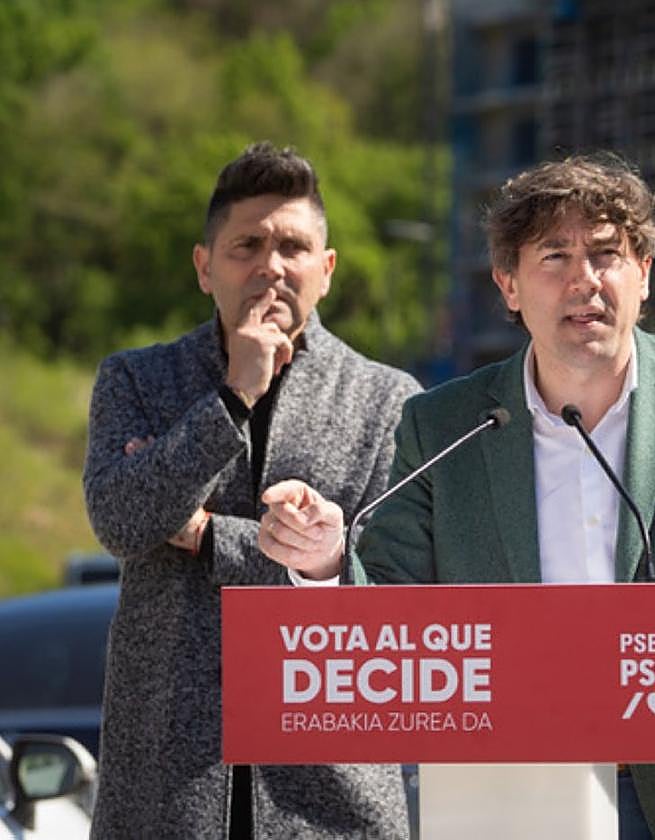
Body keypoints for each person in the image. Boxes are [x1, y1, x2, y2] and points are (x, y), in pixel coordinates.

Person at [259, 153, 655, 839]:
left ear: (644, 276)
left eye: (606, 254)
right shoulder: (444, 424)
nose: (584, 280)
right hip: (515, 794)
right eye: (555, 257)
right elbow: (390, 614)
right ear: (509, 286)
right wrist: (325, 562)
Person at [83, 142, 420, 838]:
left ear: (326, 271)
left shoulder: (388, 401)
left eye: (293, 247)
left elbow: (386, 586)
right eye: (247, 246)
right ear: (205, 267)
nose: (271, 265)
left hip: (331, 799)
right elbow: (120, 520)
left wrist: (208, 536)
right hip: (165, 793)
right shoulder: (136, 381)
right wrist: (233, 395)